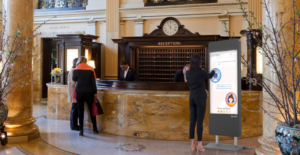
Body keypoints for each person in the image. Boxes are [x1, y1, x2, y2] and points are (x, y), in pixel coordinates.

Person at [186, 54, 216, 152]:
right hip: (200, 99)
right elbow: (210, 76)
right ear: (199, 62)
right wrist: (214, 70)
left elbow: (191, 86)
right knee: (199, 122)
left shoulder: (188, 73)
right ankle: (199, 145)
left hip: (192, 98)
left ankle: (192, 144)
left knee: (192, 121)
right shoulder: (201, 72)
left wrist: (203, 90)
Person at [73, 56, 98, 136]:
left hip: (79, 91)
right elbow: (93, 82)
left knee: (80, 111)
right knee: (91, 110)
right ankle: (95, 128)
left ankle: (81, 130)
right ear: (86, 61)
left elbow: (74, 79)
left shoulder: (76, 68)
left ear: (79, 61)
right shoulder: (91, 69)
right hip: (89, 92)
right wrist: (95, 93)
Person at [68, 58, 79, 131]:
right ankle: (73, 125)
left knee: (74, 108)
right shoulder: (73, 71)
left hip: (74, 92)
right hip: (74, 92)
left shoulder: (73, 70)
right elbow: (73, 82)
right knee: (74, 109)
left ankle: (74, 124)